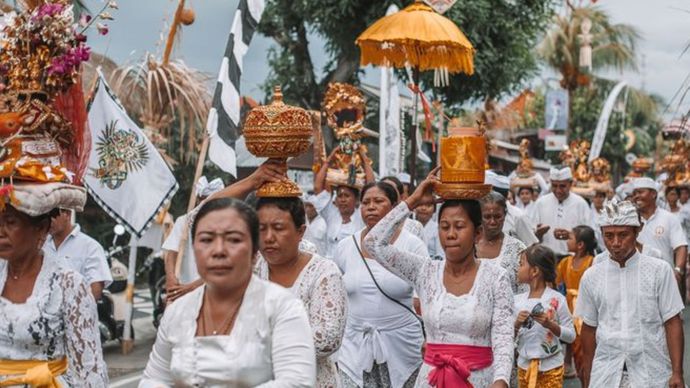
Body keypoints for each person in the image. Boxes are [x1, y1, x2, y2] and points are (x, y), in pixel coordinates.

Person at [140, 198, 316, 386]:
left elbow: (297, 382)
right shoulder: (178, 312)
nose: (219, 251)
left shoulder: (282, 309)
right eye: (206, 239)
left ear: (254, 252)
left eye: (233, 240)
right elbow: (154, 378)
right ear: (194, 249)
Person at [364, 169, 514, 388]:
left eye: (459, 226)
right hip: (432, 380)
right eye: (444, 227)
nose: (450, 234)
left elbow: (503, 336)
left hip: (480, 380)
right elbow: (373, 243)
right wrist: (412, 200)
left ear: (478, 233)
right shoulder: (425, 271)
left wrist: (501, 380)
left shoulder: (495, 277)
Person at [575, 199, 685, 388]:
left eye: (623, 235)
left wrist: (677, 372)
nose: (616, 243)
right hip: (606, 371)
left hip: (652, 370)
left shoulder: (659, 270)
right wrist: (589, 373)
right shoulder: (592, 276)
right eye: (609, 236)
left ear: (637, 232)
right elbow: (589, 328)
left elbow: (672, 322)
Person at [0, 205, 108, 386]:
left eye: (10, 222)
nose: (1, 232)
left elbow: (89, 374)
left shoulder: (69, 284)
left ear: (41, 228)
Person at [335, 182, 426, 388]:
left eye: (378, 201)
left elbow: (428, 294)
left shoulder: (411, 245)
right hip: (354, 345)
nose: (371, 207)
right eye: (366, 202)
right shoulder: (345, 246)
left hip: (402, 345)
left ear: (395, 207)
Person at [254, 196, 347, 388]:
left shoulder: (323, 272)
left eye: (278, 228)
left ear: (300, 232)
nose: (268, 237)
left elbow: (327, 339)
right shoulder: (253, 268)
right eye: (261, 229)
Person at [164, 163, 286, 304]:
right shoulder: (186, 221)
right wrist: (171, 279)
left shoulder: (238, 232)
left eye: (277, 227)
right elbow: (171, 250)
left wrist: (193, 287)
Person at [514, 244, 575, 388]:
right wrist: (516, 324)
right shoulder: (517, 301)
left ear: (534, 271)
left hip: (551, 368)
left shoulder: (557, 299)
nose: (518, 269)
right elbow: (506, 338)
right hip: (524, 368)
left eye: (521, 264)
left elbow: (571, 336)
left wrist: (551, 325)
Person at [313, 147, 373, 258]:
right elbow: (317, 188)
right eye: (340, 196)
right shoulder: (331, 213)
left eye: (347, 196)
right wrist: (328, 161)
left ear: (356, 199)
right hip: (332, 268)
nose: (343, 200)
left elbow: (371, 188)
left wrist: (364, 160)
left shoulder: (361, 215)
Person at [43, 208, 112, 301]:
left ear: (67, 214)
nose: (47, 222)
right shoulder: (41, 245)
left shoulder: (90, 247)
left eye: (52, 216)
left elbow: (95, 289)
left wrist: (76, 311)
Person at [556, 225, 597, 378]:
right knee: (571, 342)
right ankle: (572, 367)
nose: (567, 241)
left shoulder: (592, 262)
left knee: (584, 348)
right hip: (568, 307)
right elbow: (557, 281)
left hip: (585, 308)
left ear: (580, 245)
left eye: (570, 238)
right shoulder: (566, 262)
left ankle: (586, 376)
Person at [632, 178, 687, 282]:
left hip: (665, 278)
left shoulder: (669, 218)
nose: (636, 196)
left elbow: (680, 246)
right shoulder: (630, 221)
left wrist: (678, 270)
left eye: (640, 192)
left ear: (653, 194)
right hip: (637, 279)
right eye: (634, 193)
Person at [531, 167, 592, 256]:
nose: (558, 190)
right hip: (546, 258)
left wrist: (572, 235)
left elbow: (589, 235)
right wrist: (538, 234)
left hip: (572, 259)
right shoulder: (541, 203)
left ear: (570, 184)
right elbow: (531, 234)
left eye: (562, 186)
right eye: (554, 186)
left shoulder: (581, 204)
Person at [477, 191, 527, 293]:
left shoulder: (518, 248)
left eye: (497, 216)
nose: (492, 222)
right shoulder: (469, 245)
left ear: (505, 215)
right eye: (487, 217)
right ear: (479, 217)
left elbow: (524, 291)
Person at [381, 175, 425, 239]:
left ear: (401, 197)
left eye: (391, 192)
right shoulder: (369, 223)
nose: (387, 196)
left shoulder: (415, 227)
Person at [414, 191, 444, 260]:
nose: (424, 208)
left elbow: (440, 255)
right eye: (420, 205)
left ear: (434, 209)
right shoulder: (409, 226)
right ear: (414, 206)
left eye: (428, 206)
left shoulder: (437, 228)